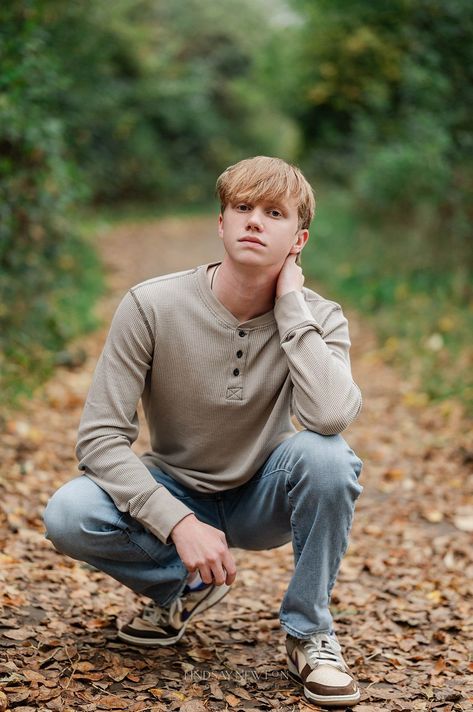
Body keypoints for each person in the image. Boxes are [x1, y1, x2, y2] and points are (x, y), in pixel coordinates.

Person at [44, 156, 363, 708]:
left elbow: (331, 417)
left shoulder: (319, 317)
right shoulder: (152, 305)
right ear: (221, 223)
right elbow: (98, 439)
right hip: (172, 486)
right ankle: (186, 584)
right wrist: (178, 522)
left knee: (329, 458)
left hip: (262, 496)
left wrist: (290, 306)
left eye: (273, 212)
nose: (254, 221)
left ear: (299, 239)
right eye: (241, 208)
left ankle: (309, 632)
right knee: (68, 513)